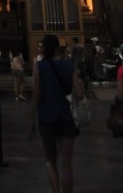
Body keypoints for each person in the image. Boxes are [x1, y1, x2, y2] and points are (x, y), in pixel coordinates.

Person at [30, 33, 83, 193]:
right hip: (66, 117)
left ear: (45, 48)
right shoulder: (69, 66)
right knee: (66, 164)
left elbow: (36, 93)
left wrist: (31, 117)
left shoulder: (40, 66)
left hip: (47, 117)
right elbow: (79, 93)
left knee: (50, 161)